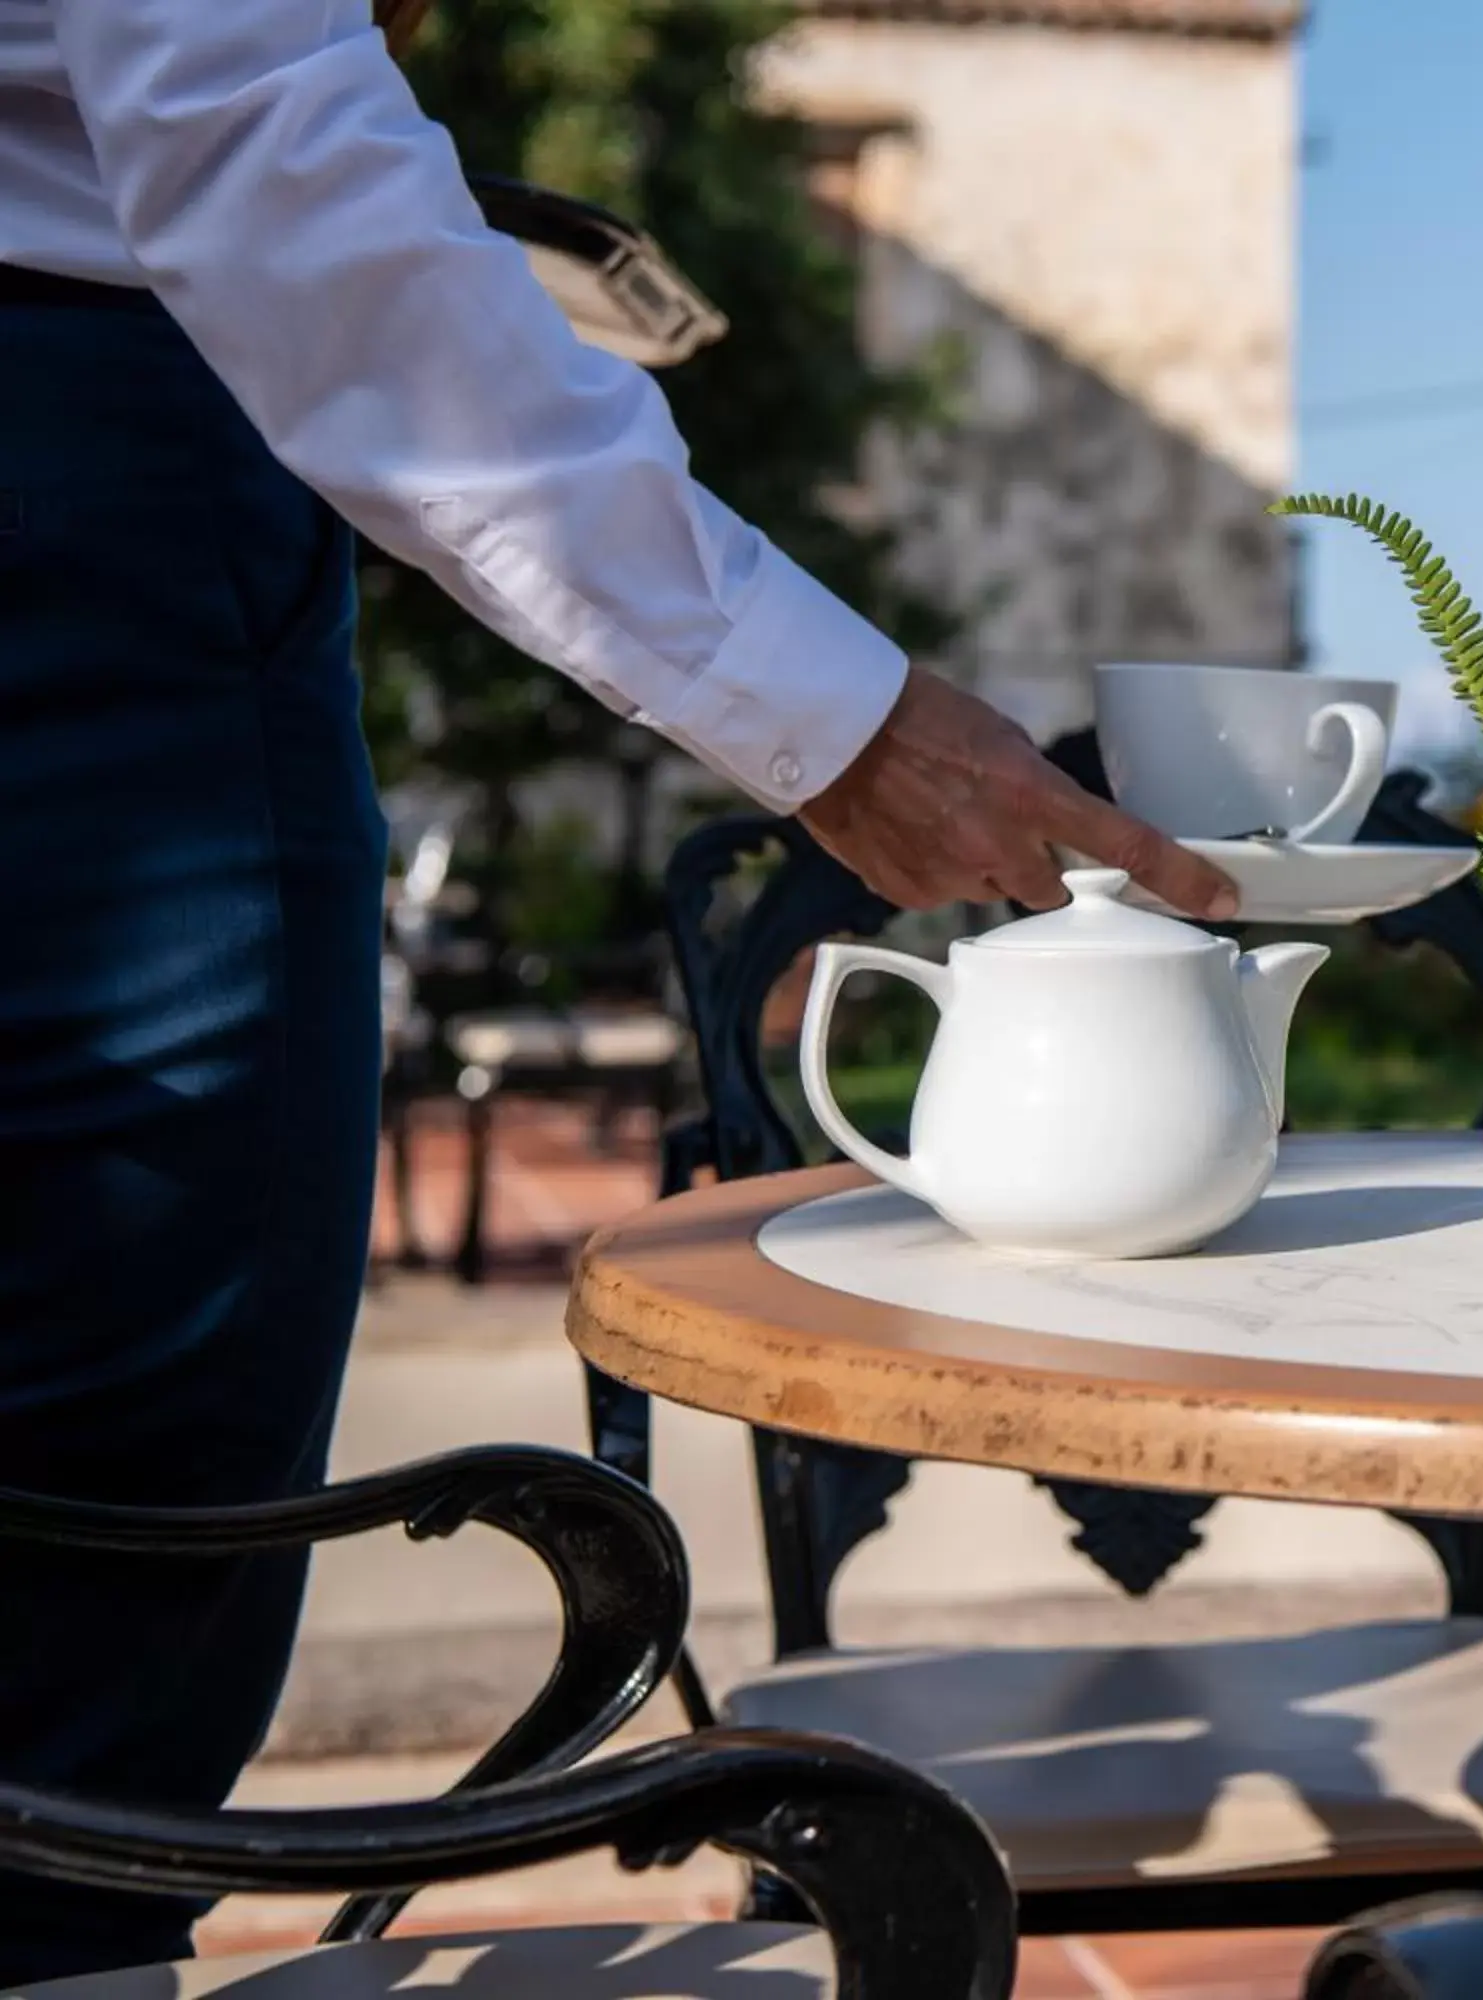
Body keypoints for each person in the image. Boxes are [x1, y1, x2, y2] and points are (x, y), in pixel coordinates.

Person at [0, 0, 1236, 1978]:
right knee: (120, 1535)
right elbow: (254, 121)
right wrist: (838, 714)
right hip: (89, 470)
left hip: (121, 444)